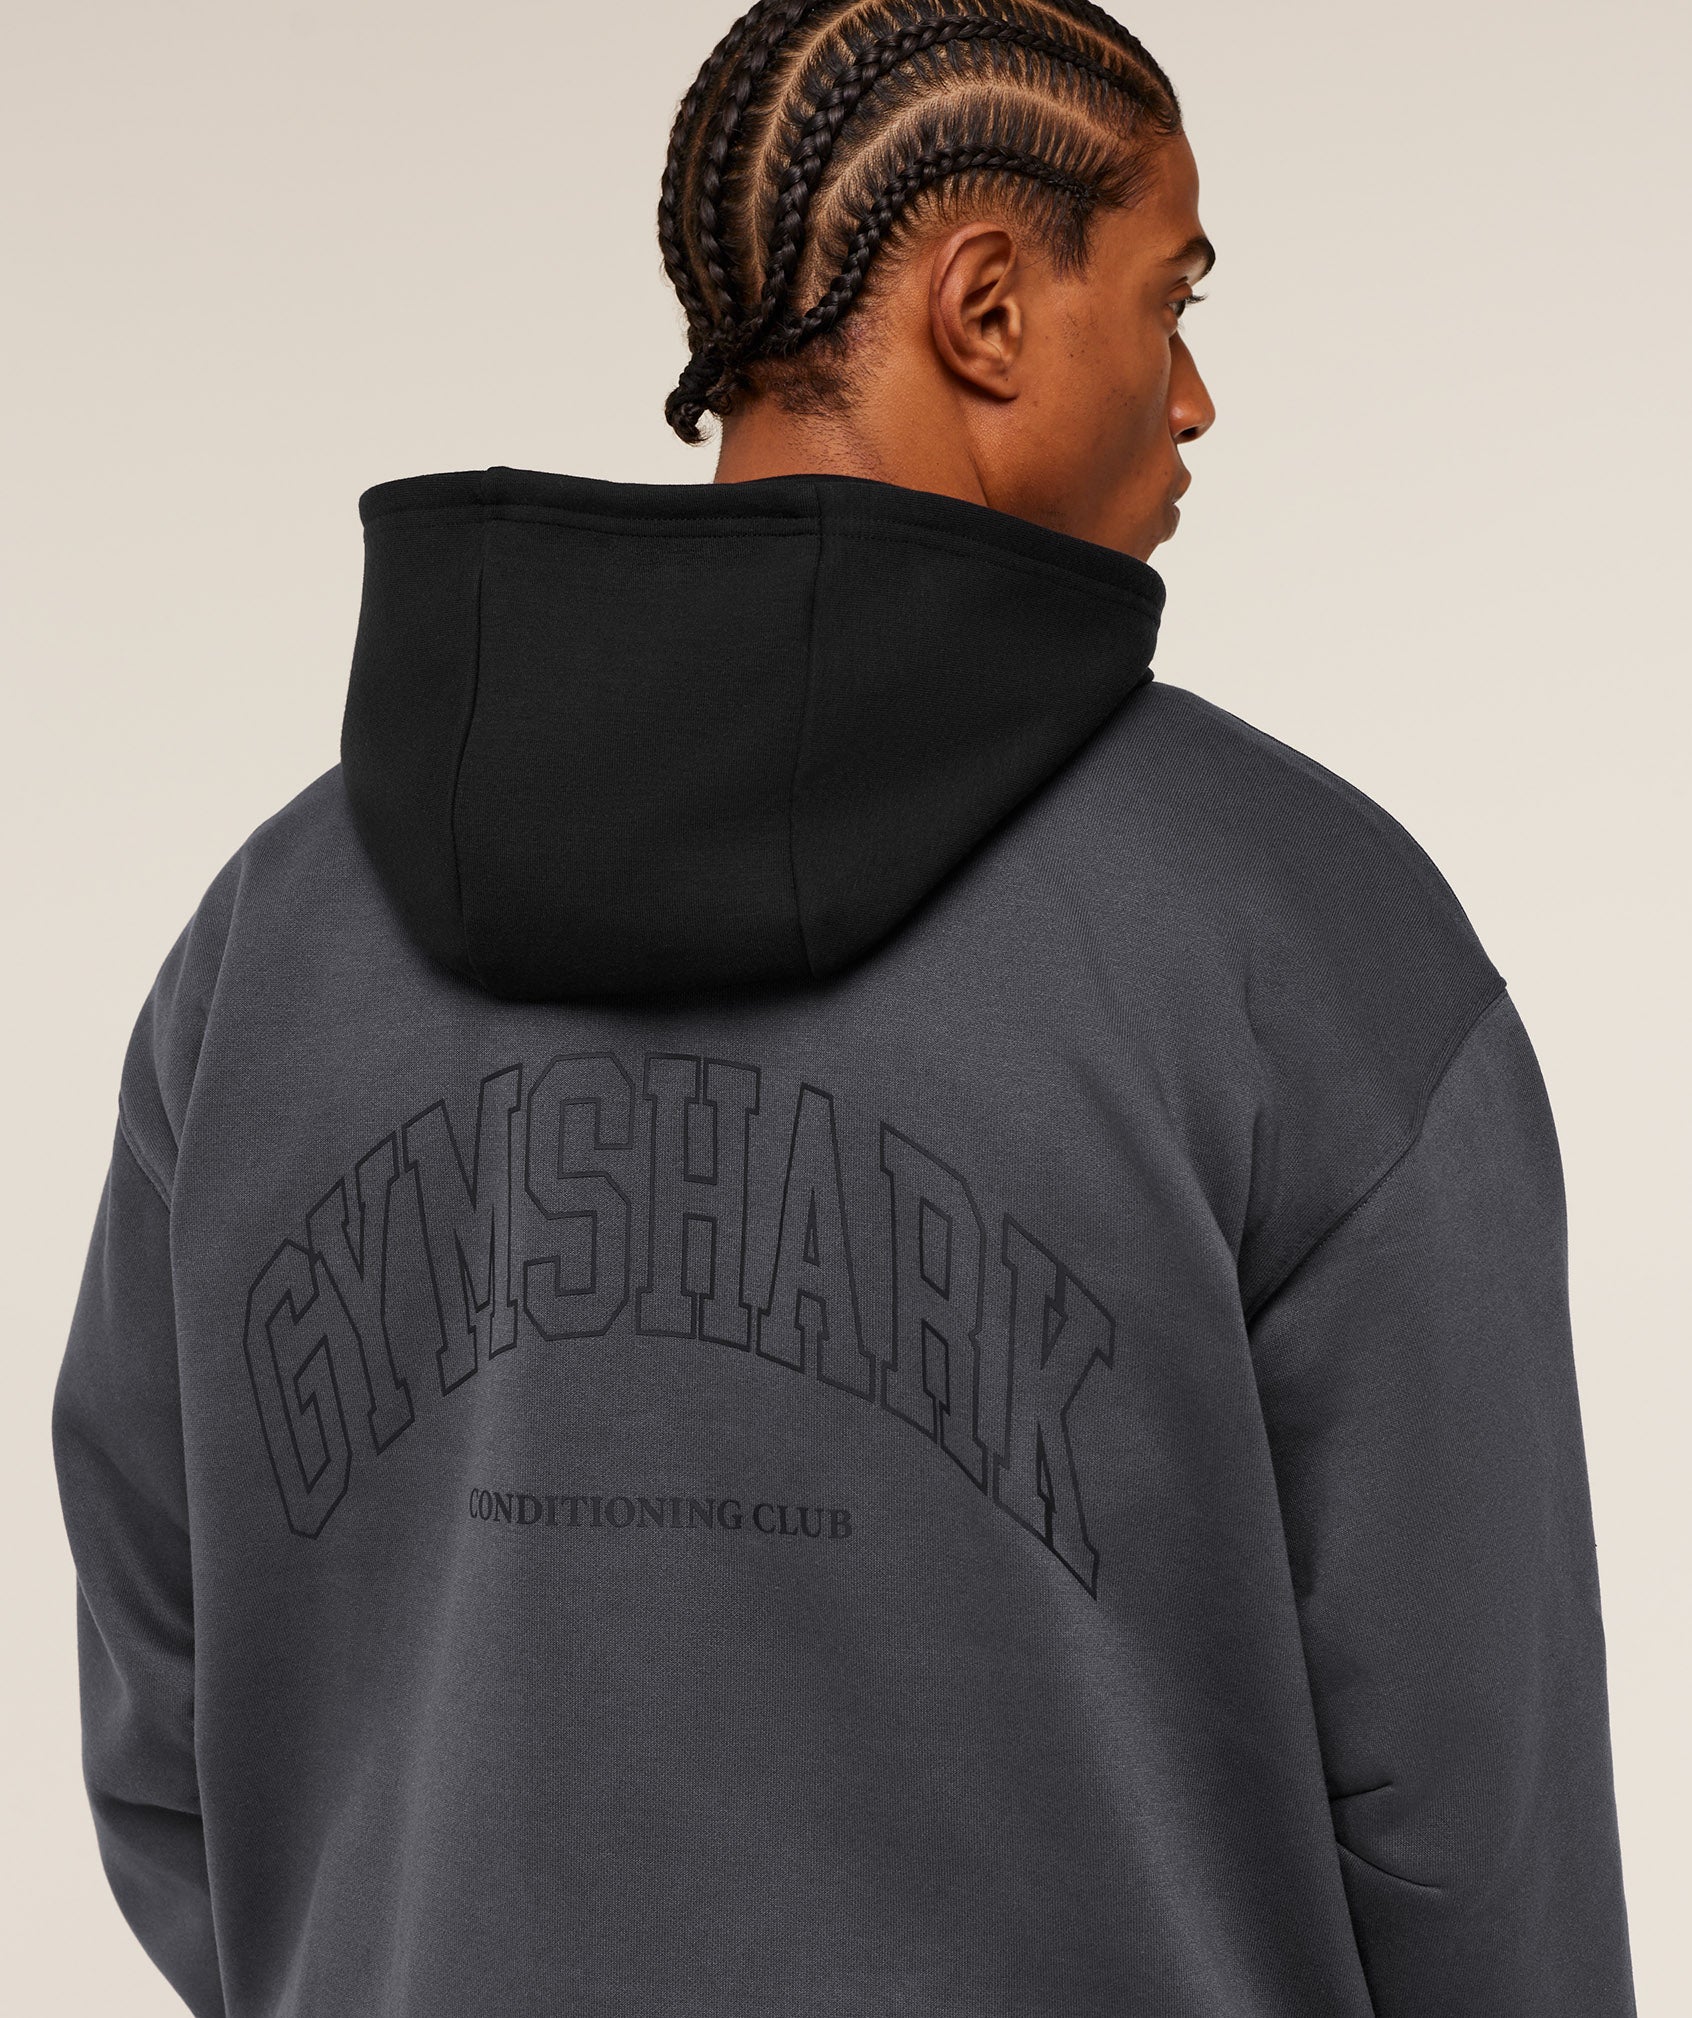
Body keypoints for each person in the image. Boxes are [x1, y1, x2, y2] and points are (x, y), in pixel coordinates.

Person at [51, 2, 1636, 2013]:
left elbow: (169, 1729)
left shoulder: (277, 935)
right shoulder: (1310, 943)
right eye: (1170, 301)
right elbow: (1481, 1840)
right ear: (989, 307)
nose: (1196, 395)